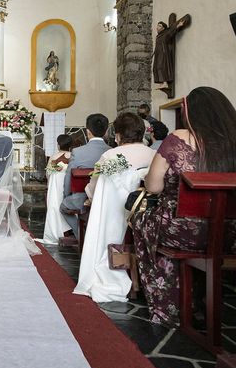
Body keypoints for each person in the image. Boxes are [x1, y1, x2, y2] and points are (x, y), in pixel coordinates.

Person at [134, 87, 236, 327]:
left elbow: (154, 187)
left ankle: (171, 303)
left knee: (141, 221)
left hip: (186, 231)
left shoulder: (180, 138)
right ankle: (200, 296)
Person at [74, 113, 155, 303]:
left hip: (114, 219)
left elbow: (95, 187)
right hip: (146, 216)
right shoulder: (153, 155)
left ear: (118, 135)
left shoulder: (110, 156)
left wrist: (90, 197)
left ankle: (115, 271)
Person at [60, 113, 110, 239]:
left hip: (82, 198)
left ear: (88, 132)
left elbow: (68, 178)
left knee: (63, 207)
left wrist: (67, 195)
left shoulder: (78, 152)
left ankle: (82, 236)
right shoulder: (111, 151)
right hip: (107, 198)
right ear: (106, 131)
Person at [41, 134, 73, 245]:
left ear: (58, 145)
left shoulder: (54, 157)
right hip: (70, 188)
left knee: (55, 206)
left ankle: (56, 231)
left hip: (55, 188)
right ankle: (68, 230)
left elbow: (48, 174)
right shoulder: (73, 156)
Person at [152, 14, 191, 98]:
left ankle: (165, 82)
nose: (157, 27)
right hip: (158, 54)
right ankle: (162, 82)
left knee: (161, 66)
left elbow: (171, 32)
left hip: (163, 53)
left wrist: (178, 26)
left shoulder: (165, 33)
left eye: (159, 26)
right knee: (156, 68)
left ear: (163, 28)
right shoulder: (158, 36)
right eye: (157, 26)